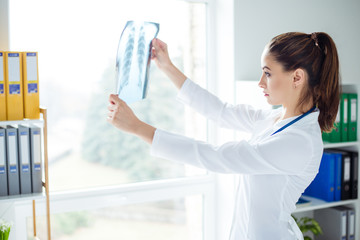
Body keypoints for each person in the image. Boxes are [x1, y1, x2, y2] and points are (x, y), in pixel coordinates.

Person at [107, 32, 340, 240]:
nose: (260, 83)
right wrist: (166, 66)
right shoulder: (276, 119)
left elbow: (217, 157)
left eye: (267, 73)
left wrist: (137, 127)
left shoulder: (299, 142)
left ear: (297, 78)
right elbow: (220, 111)